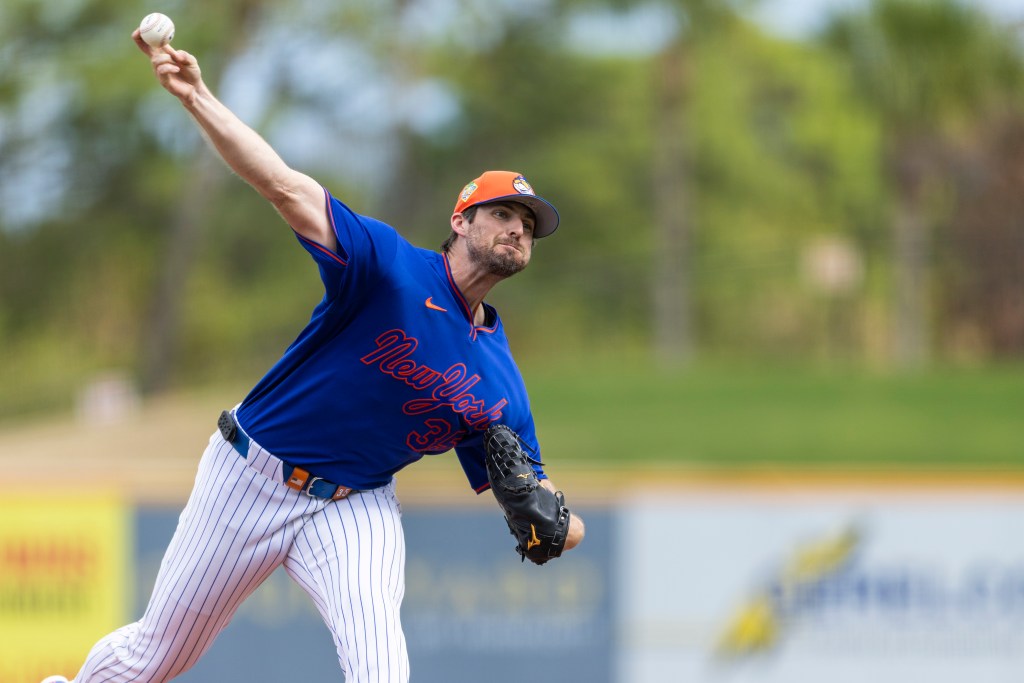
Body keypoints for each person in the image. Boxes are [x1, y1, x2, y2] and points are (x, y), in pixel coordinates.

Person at [47, 28, 586, 683]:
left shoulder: (499, 379)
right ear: (461, 220)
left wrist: (553, 519)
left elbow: (548, 508)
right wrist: (198, 98)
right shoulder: (388, 266)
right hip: (250, 475)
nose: (517, 229)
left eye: (529, 224)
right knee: (151, 659)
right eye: (504, 212)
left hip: (354, 504)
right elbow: (280, 184)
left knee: (381, 668)